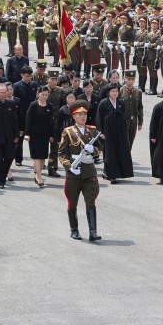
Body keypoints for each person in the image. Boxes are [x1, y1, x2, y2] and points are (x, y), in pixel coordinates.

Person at [59, 100, 102, 241]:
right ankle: (74, 230)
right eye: (79, 114)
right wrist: (69, 166)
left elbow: (100, 149)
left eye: (84, 114)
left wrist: (94, 150)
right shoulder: (69, 132)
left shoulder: (93, 130)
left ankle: (93, 232)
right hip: (74, 173)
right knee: (72, 201)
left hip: (89, 171)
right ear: (74, 116)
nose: (83, 117)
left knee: (91, 201)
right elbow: (62, 153)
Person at [96, 83, 134, 183]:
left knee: (119, 152)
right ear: (108, 92)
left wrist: (124, 132)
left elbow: (124, 119)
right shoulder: (103, 103)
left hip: (119, 132)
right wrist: (101, 132)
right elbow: (99, 119)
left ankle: (118, 173)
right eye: (112, 91)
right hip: (108, 132)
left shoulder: (121, 103)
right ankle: (110, 174)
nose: (115, 93)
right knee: (109, 153)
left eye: (116, 91)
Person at [24, 85, 55, 187]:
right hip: (34, 135)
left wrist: (51, 135)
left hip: (45, 135)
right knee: (36, 156)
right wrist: (27, 134)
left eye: (46, 95)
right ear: (38, 94)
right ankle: (39, 176)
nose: (44, 96)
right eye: (42, 94)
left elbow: (51, 122)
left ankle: (38, 174)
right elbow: (28, 120)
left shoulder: (50, 106)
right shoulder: (33, 105)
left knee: (43, 156)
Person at [120, 70, 143, 148]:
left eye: (132, 79)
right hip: (124, 120)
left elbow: (140, 107)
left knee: (131, 140)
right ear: (124, 79)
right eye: (128, 79)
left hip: (134, 120)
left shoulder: (138, 92)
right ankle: (125, 157)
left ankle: (128, 156)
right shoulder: (120, 91)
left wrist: (140, 122)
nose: (130, 81)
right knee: (125, 141)